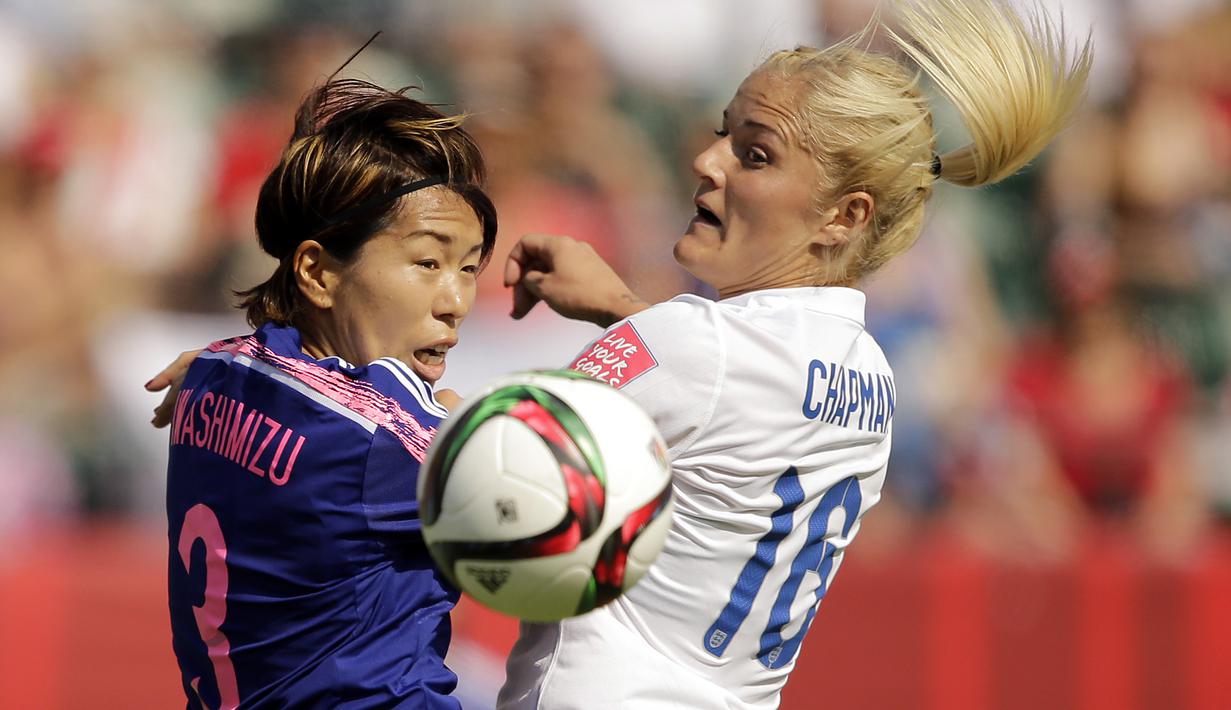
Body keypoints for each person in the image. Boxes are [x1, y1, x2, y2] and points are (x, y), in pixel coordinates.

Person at [496, 0, 1091, 707]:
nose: (706, 161)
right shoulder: (870, 372)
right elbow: (726, 389)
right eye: (723, 133)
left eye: (755, 154)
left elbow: (485, 461)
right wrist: (624, 311)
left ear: (845, 215)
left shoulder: (692, 344)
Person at [157, 77, 496, 707]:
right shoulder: (380, 437)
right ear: (316, 271)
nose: (456, 302)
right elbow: (580, 491)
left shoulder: (210, 373)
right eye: (428, 262)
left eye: (470, 267)